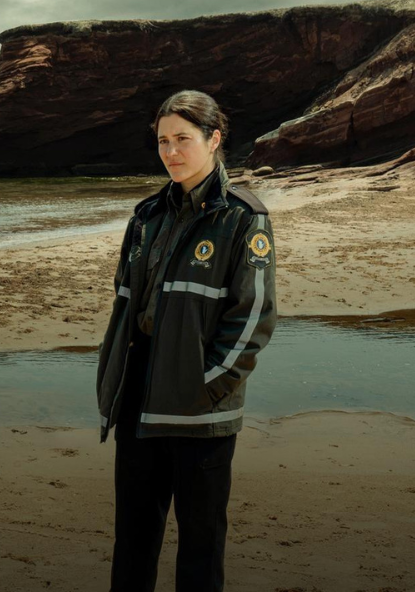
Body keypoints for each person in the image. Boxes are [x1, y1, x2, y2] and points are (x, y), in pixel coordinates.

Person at [95, 90, 277, 591]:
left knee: (200, 544)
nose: (171, 152)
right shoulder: (146, 216)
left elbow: (255, 314)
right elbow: (125, 300)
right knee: (132, 540)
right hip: (137, 400)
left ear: (214, 139)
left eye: (183, 139)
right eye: (162, 141)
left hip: (201, 410)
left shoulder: (243, 218)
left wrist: (209, 384)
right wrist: (113, 381)